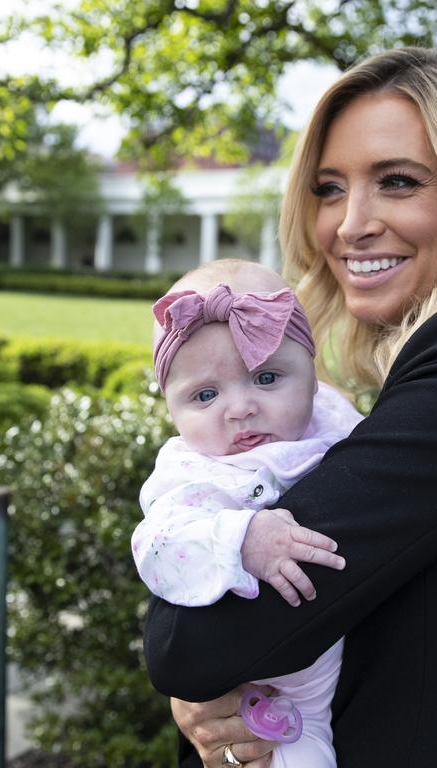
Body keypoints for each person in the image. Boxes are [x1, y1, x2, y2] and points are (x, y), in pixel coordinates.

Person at [142, 47, 437, 768]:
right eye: (329, 188)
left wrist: (203, 675)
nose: (349, 224)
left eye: (396, 182)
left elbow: (190, 645)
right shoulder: (413, 382)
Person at [134, 259, 364, 767]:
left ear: (310, 372)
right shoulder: (192, 473)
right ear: (170, 409)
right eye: (206, 395)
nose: (239, 409)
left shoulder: (332, 419)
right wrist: (243, 538)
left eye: (266, 377)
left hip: (355, 653)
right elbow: (160, 546)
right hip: (275, 690)